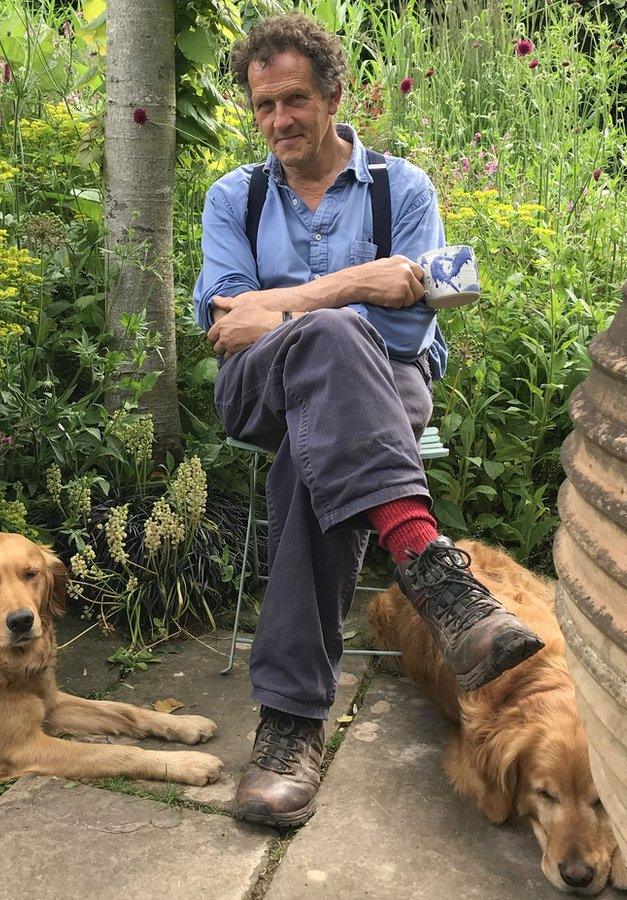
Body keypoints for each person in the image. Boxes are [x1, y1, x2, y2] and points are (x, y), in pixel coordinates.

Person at [193, 13, 544, 829]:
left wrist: (283, 310)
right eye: (263, 106)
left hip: (388, 386)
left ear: (335, 95)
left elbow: (414, 320)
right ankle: (431, 571)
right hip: (259, 392)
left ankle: (288, 727)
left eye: (295, 101)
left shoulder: (404, 189)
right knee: (338, 332)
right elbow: (227, 324)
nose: (279, 121)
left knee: (310, 457)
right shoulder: (233, 197)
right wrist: (351, 288)